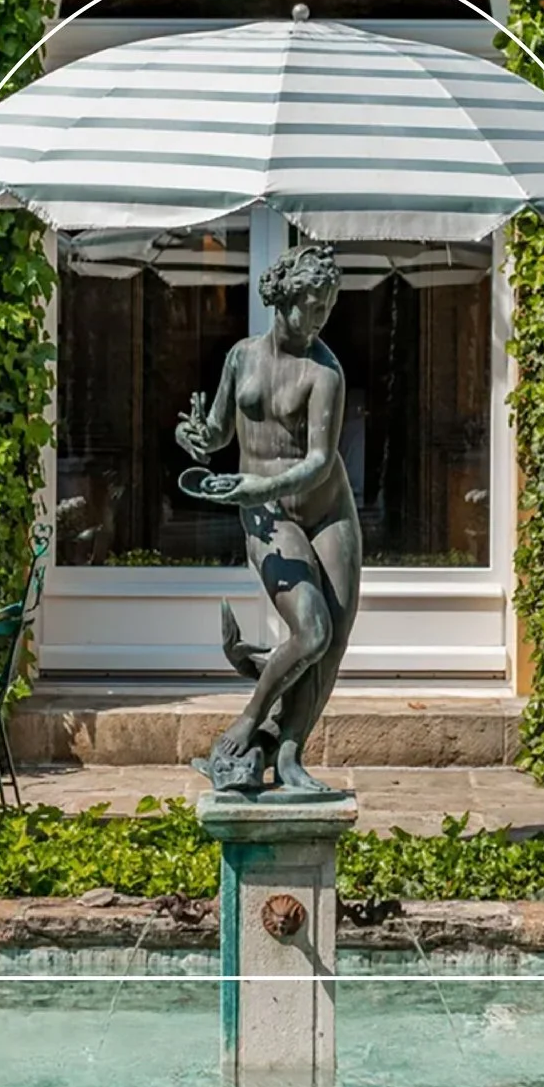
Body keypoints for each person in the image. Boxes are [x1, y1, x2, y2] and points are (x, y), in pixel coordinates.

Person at [176, 243, 361, 795]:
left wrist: (260, 483)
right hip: (267, 515)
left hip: (329, 512)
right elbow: (217, 432)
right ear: (283, 299)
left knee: (331, 643)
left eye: (328, 306)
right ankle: (250, 720)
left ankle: (289, 753)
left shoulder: (325, 373)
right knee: (311, 631)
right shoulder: (242, 357)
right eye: (312, 304)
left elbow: (320, 461)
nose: (320, 316)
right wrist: (196, 438)